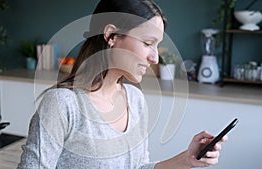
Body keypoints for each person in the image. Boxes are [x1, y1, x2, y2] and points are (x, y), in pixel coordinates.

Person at [17, 0, 227, 168]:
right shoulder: (63, 104)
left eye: (157, 45)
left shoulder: (134, 99)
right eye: (147, 43)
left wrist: (187, 159)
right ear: (111, 35)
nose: (155, 57)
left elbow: (139, 166)